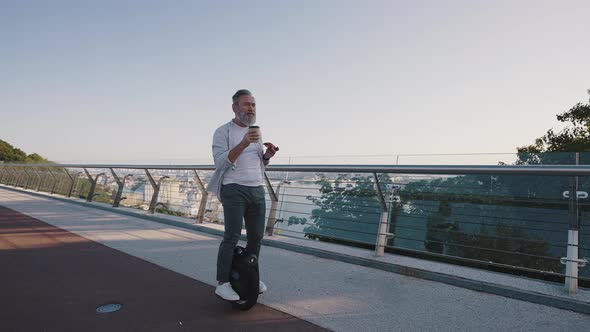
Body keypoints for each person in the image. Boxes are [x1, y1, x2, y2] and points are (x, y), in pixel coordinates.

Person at [206, 89, 278, 301]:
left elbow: (257, 163)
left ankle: (251, 275)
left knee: (256, 238)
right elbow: (220, 162)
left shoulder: (257, 131)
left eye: (253, 105)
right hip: (233, 188)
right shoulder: (222, 132)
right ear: (235, 108)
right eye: (246, 104)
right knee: (232, 236)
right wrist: (244, 142)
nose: (251, 108)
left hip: (256, 188)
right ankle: (223, 283)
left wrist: (267, 156)